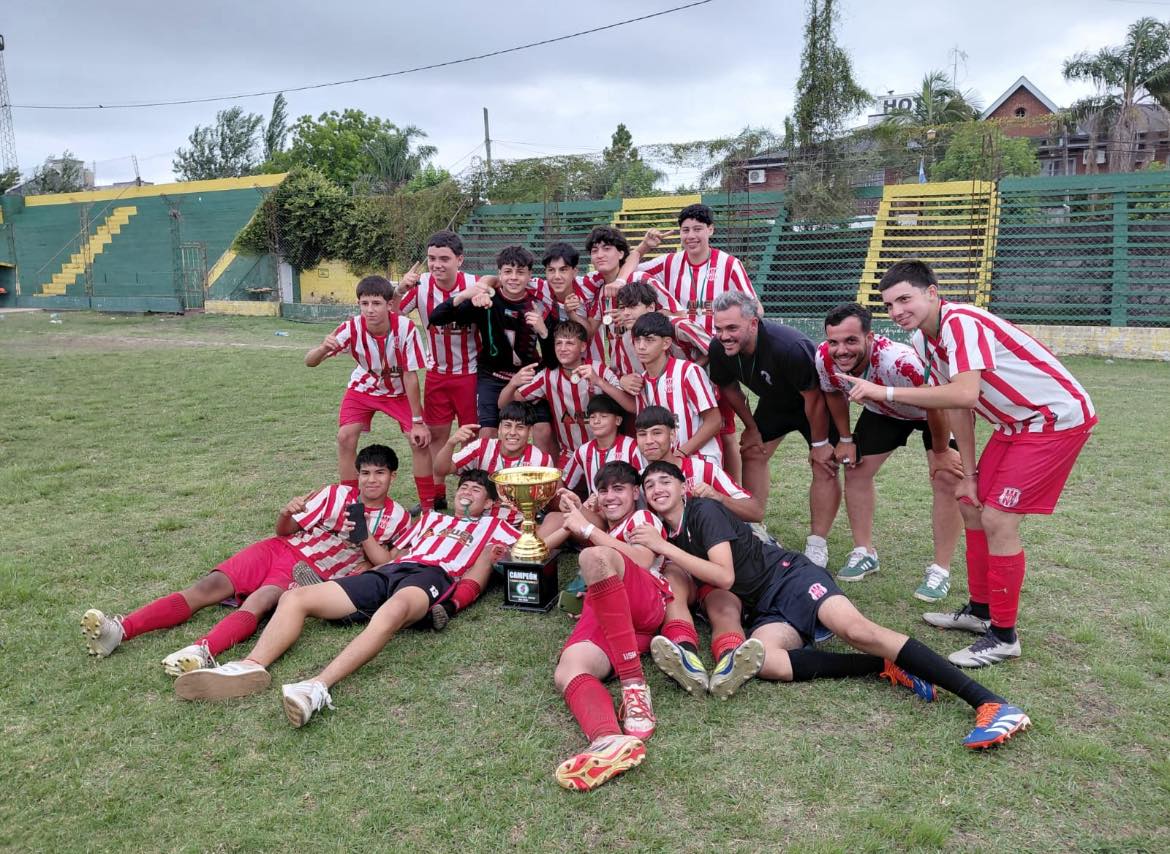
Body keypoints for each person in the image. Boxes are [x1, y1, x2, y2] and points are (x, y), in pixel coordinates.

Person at [634, 461, 1031, 750]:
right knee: (766, 663)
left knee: (857, 631)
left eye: (665, 480)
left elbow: (723, 576)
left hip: (790, 577)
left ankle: (990, 702)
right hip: (763, 607)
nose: (657, 488)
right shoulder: (669, 532)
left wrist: (663, 548)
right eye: (649, 485)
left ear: (684, 486)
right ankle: (882, 666)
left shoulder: (703, 511)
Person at [841, 259, 1096, 667]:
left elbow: (963, 393)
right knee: (970, 503)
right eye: (889, 305)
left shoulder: (960, 322)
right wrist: (970, 475)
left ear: (932, 293)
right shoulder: (923, 338)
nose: (897, 311)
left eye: (904, 299)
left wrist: (884, 392)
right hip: (1014, 425)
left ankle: (1004, 637)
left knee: (998, 519)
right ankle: (980, 612)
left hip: (1053, 419)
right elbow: (961, 406)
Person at [173, 470, 520, 727]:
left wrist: (458, 600)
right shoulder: (428, 519)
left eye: (476, 490)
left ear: (491, 503)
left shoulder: (498, 528)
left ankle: (316, 688)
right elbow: (390, 557)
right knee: (296, 598)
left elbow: (520, 553)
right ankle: (250, 666)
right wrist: (365, 551)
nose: (466, 492)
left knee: (393, 611)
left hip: (432, 576)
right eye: (463, 487)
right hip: (391, 570)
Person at [80, 445, 411, 675]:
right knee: (209, 586)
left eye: (379, 473)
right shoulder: (335, 494)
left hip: (309, 572)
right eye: (365, 473)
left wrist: (363, 535)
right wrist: (286, 513)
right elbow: (283, 531)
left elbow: (385, 563)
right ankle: (119, 630)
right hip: (278, 548)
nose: (371, 480)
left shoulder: (398, 517)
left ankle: (202, 650)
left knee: (262, 599)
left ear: (392, 477)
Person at [816, 302, 964, 602]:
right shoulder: (825, 357)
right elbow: (832, 392)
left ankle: (941, 569)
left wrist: (940, 451)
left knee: (947, 478)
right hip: (885, 410)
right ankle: (864, 552)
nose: (841, 350)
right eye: (834, 342)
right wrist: (845, 438)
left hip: (934, 409)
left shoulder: (900, 362)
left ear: (870, 337)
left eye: (851, 341)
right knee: (855, 469)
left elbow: (935, 404)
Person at [541, 461, 673, 791]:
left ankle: (634, 688)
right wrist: (578, 516)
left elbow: (642, 559)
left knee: (593, 557)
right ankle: (607, 739)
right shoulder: (604, 526)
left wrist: (587, 530)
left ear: (635, 493)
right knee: (569, 669)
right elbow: (541, 549)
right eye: (603, 490)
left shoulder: (642, 519)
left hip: (645, 602)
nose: (610, 496)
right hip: (615, 619)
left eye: (619, 489)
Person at [627, 204, 761, 479]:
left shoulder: (728, 264)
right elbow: (629, 272)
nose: (691, 236)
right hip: (679, 361)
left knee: (725, 431)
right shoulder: (670, 262)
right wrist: (643, 247)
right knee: (679, 422)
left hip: (717, 358)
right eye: (685, 230)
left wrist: (723, 342)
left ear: (710, 230)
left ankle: (732, 493)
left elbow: (755, 308)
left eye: (697, 229)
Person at [707, 290, 837, 566]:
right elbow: (729, 388)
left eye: (732, 328)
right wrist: (751, 426)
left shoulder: (789, 346)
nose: (724, 335)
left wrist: (819, 445)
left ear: (753, 323)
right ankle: (755, 525)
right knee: (752, 450)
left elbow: (814, 398)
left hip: (814, 403)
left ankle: (817, 543)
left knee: (823, 464)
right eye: (719, 328)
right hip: (775, 402)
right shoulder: (718, 348)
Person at [305, 275, 431, 506]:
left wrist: (417, 421)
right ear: (359, 304)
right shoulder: (351, 327)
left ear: (389, 304)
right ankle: (350, 503)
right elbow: (310, 362)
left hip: (399, 392)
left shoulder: (405, 328)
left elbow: (410, 375)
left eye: (376, 303)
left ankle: (428, 507)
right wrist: (322, 348)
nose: (370, 310)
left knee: (419, 440)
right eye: (365, 303)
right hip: (363, 389)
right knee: (345, 437)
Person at [428, 246, 557, 449]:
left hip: (529, 376)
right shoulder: (485, 300)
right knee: (486, 433)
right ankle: (489, 470)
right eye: (508, 271)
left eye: (520, 272)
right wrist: (464, 295)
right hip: (492, 376)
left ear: (529, 275)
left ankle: (540, 469)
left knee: (543, 429)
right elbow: (436, 318)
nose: (513, 277)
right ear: (499, 274)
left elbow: (552, 360)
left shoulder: (538, 305)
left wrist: (543, 332)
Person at [391, 230, 480, 512]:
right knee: (437, 435)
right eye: (432, 258)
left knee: (472, 438)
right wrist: (399, 290)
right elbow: (394, 316)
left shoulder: (474, 283)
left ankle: (473, 497)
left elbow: (494, 286)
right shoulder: (421, 286)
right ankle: (437, 495)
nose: (437, 264)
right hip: (437, 374)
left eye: (444, 259)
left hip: (471, 373)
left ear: (459, 260)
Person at [499, 320, 634, 462]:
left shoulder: (598, 369)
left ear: (583, 346)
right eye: (559, 343)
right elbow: (503, 404)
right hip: (570, 454)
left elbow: (631, 406)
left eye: (569, 343)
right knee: (559, 477)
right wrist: (512, 383)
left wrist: (599, 382)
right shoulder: (547, 375)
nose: (563, 348)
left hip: (608, 452)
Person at [634, 405, 762, 523]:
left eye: (657, 433)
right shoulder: (637, 481)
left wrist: (719, 498)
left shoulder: (702, 469)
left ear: (672, 435)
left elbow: (756, 513)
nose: (649, 441)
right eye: (642, 434)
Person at [630, 312, 722, 464]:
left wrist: (680, 454)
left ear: (666, 343)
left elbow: (714, 421)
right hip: (666, 464)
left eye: (649, 340)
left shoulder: (688, 371)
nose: (641, 346)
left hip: (698, 460)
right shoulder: (641, 381)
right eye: (637, 340)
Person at [582, 225, 680, 361]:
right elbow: (589, 331)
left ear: (621, 254)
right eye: (594, 251)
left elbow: (679, 314)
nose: (600, 255)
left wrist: (636, 317)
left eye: (607, 249)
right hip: (621, 373)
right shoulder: (601, 291)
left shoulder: (642, 280)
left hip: (654, 370)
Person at [561, 394, 642, 498]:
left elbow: (642, 485)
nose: (596, 421)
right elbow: (565, 480)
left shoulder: (632, 447)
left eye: (603, 416)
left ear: (618, 420)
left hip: (627, 506)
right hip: (595, 507)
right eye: (592, 417)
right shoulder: (583, 451)